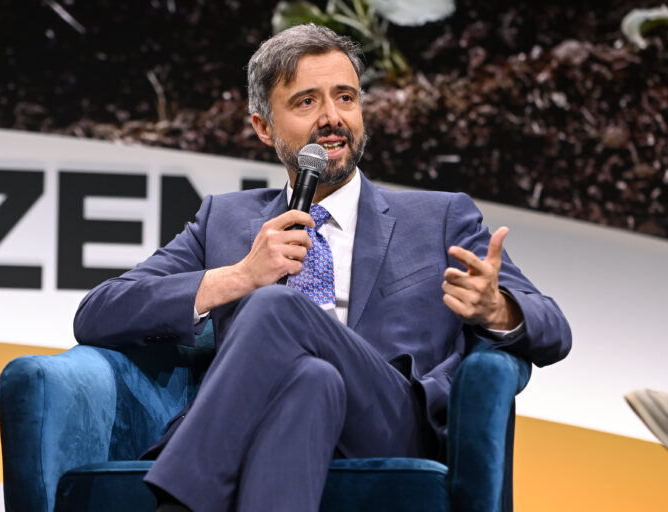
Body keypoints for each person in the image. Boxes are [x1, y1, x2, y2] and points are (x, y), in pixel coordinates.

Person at [74, 23, 572, 512]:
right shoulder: (224, 220)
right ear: (263, 127)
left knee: (276, 306)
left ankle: (178, 501)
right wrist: (239, 276)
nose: (332, 118)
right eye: (306, 102)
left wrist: (498, 309)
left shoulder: (440, 217)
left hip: (392, 421)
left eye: (346, 98)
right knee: (311, 380)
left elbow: (554, 329)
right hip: (284, 412)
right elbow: (98, 312)